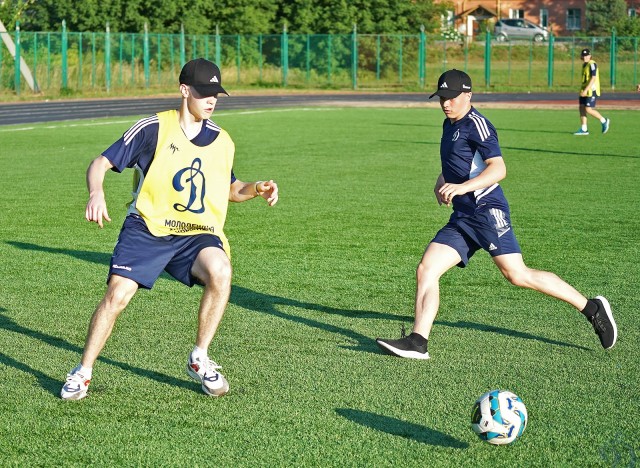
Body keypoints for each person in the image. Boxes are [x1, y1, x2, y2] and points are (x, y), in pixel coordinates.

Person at [60, 58, 279, 400]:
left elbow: (231, 189)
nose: (211, 100)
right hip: (147, 227)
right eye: (205, 93)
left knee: (221, 271)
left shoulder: (222, 140)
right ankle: (82, 371)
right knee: (117, 296)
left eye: (216, 94)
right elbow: (101, 162)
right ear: (184, 90)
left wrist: (257, 187)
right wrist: (96, 191)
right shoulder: (153, 128)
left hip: (195, 232)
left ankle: (199, 357)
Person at [376, 69, 617, 360]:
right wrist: (441, 181)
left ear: (468, 95)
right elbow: (459, 161)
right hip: (463, 216)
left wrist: (462, 186)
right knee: (427, 269)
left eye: (451, 98)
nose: (445, 103)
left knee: (517, 274)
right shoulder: (448, 124)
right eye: (441, 97)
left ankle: (592, 309)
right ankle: (418, 341)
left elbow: (498, 168)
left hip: (487, 211)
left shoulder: (479, 125)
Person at [574, 48, 610, 136]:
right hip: (584, 90)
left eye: (587, 55)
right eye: (583, 55)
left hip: (591, 90)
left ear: (590, 56)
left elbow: (593, 78)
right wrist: (583, 90)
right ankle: (584, 129)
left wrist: (586, 90)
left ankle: (604, 121)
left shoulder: (592, 64)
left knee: (588, 109)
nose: (585, 57)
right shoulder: (584, 65)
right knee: (581, 107)